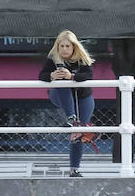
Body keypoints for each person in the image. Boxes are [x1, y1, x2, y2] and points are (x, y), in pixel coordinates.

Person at [39, 30, 96, 178]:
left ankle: (74, 169)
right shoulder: (53, 59)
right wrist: (52, 75)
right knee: (61, 81)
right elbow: (41, 75)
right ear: (57, 47)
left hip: (83, 97)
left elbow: (88, 75)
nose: (64, 49)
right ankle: (70, 117)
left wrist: (72, 76)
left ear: (74, 47)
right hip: (59, 95)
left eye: (67, 46)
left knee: (77, 134)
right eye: (62, 46)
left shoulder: (81, 58)